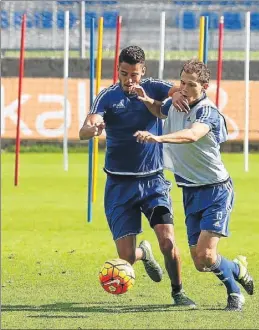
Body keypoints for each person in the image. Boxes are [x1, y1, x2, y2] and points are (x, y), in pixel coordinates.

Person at [133, 59, 254, 311]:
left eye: (191, 84)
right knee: (200, 262)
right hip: (189, 190)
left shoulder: (206, 111)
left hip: (216, 190)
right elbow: (160, 109)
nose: (185, 88)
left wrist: (157, 137)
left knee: (208, 255)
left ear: (205, 86)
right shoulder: (177, 102)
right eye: (182, 83)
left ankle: (234, 294)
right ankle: (237, 268)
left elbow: (191, 135)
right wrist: (148, 101)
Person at [79, 45, 195, 307]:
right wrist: (92, 128)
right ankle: (144, 253)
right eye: (124, 74)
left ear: (143, 71)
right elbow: (84, 128)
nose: (129, 80)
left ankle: (178, 292)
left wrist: (176, 95)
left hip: (153, 182)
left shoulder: (153, 87)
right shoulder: (107, 97)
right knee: (127, 258)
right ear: (117, 70)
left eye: (134, 74)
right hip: (119, 185)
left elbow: (176, 90)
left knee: (168, 241)